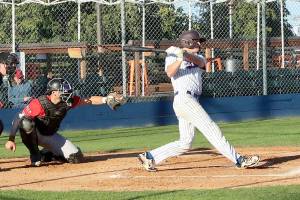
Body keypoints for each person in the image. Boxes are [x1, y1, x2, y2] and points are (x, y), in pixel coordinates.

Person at [138, 30, 260, 172]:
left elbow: (200, 62)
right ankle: (239, 159)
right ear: (189, 42)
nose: (200, 44)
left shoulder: (198, 56)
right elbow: (170, 73)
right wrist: (178, 58)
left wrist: (183, 55)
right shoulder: (172, 55)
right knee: (210, 128)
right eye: (197, 41)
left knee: (185, 142)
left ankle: (150, 156)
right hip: (183, 99)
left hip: (191, 100)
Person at [5, 78, 126, 167]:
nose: (67, 92)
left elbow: (88, 100)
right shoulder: (39, 103)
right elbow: (18, 117)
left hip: (50, 135)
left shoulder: (67, 101)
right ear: (54, 92)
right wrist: (11, 139)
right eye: (62, 90)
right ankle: (34, 154)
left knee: (76, 157)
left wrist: (106, 99)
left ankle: (47, 153)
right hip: (35, 133)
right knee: (25, 122)